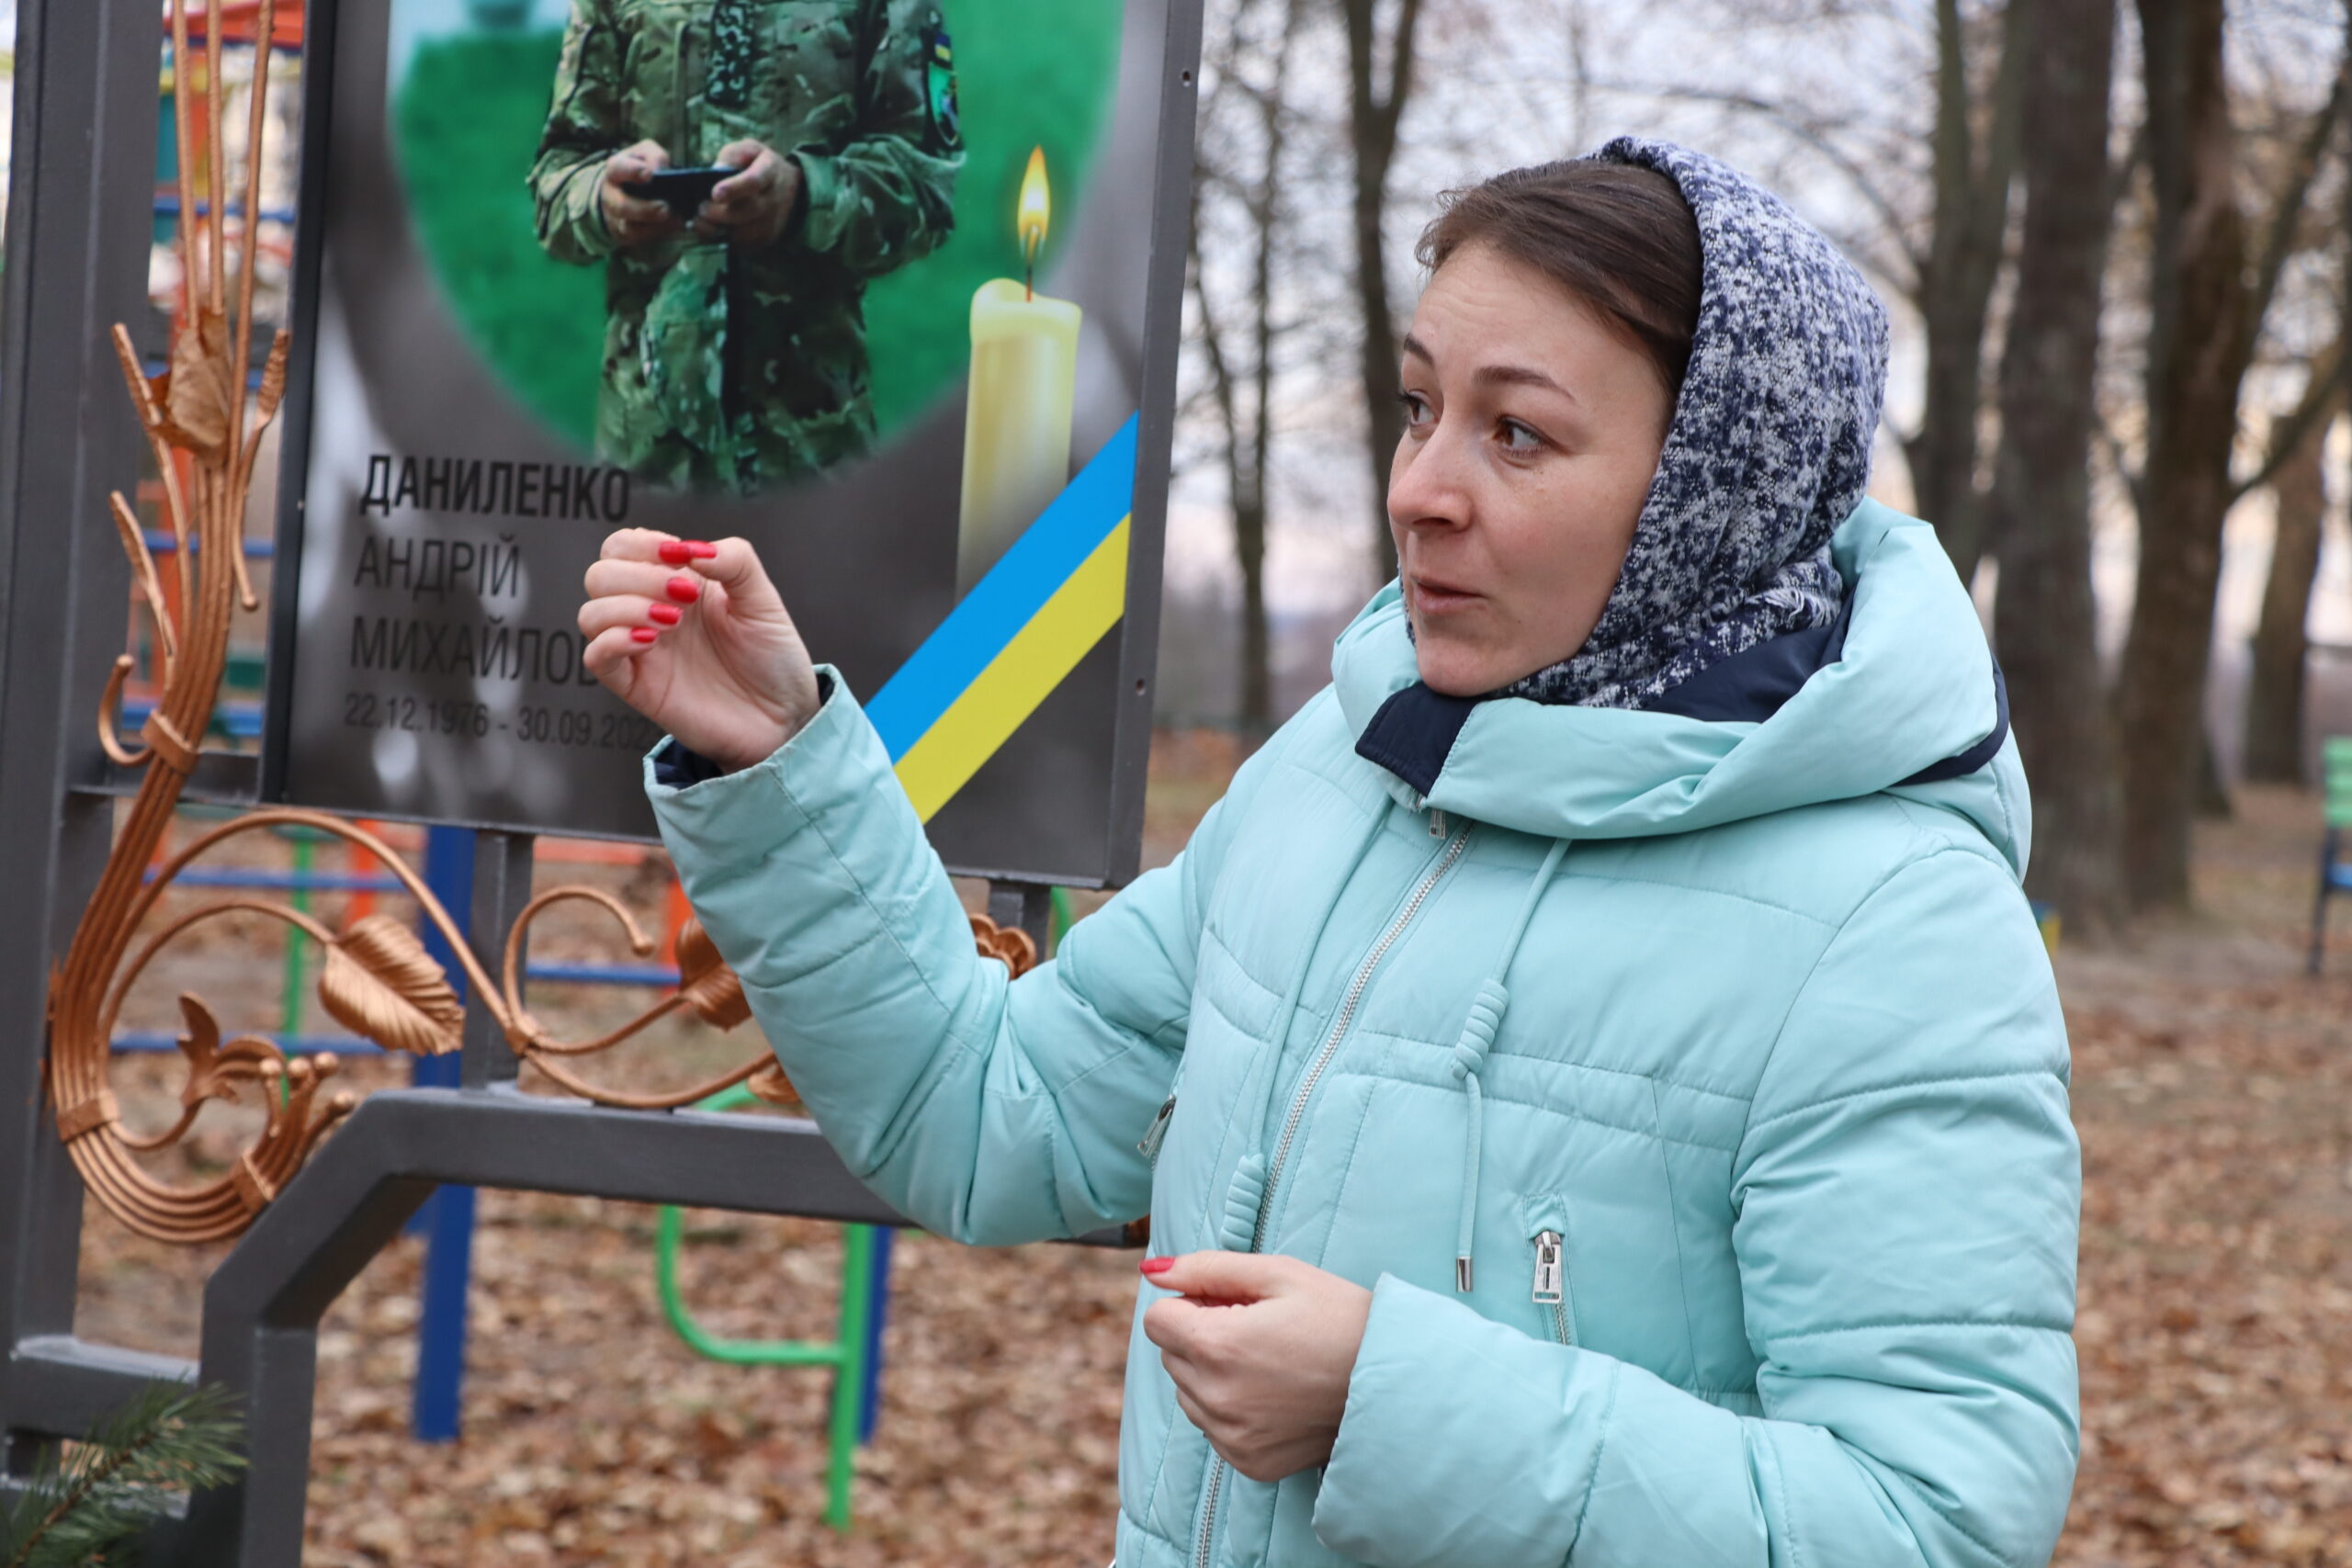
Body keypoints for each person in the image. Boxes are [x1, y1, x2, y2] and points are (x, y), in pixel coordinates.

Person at [579, 138, 2080, 1568]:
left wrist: (1394, 1406)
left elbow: (1931, 1523)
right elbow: (983, 1112)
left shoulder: (1895, 930)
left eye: (1517, 432)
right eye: (1421, 407)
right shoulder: (1343, 770)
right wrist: (780, 762)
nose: (1419, 488)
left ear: (1712, 490)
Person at [528, 0, 963, 494]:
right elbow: (555, 180)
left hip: (809, 449)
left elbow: (927, 186)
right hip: (646, 456)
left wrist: (804, 197)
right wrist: (602, 199)